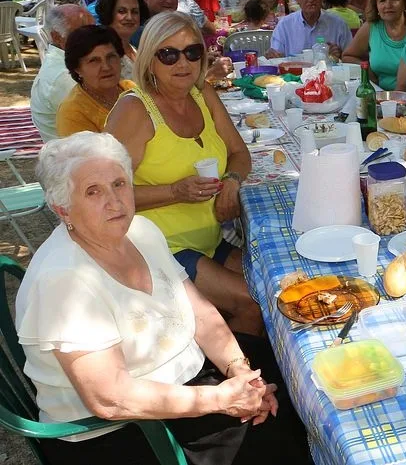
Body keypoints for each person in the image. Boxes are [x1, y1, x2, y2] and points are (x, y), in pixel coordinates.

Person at [17, 132, 311, 464]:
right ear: (62, 208)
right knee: (278, 441)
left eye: (119, 184)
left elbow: (201, 314)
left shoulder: (141, 232)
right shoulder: (65, 282)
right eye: (92, 191)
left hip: (182, 386)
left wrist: (239, 373)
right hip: (121, 431)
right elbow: (110, 399)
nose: (114, 201)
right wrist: (220, 399)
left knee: (288, 389)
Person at [105, 12, 262, 336]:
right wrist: (175, 192)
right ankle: (223, 377)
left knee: (276, 286)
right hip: (160, 250)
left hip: (208, 239)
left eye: (192, 51)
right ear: (149, 60)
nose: (183, 63)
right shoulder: (135, 110)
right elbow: (106, 196)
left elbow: (239, 153)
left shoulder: (201, 93)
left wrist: (231, 183)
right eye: (168, 54)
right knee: (253, 303)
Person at [341, 0, 406, 90]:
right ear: (376, 7)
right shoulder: (371, 27)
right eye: (382, 0)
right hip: (381, 96)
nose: (388, 5)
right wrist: (367, 69)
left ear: (404, 4)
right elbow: (347, 56)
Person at [30, 5, 95, 141]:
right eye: (81, 33)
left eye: (94, 30)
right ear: (57, 37)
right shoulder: (63, 76)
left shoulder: (71, 64)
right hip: (78, 154)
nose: (93, 38)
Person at [56, 26, 136, 136]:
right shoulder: (72, 112)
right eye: (94, 61)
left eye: (111, 57)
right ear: (77, 69)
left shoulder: (130, 89)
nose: (106, 67)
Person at [265, 0, 352, 59]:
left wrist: (340, 56)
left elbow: (350, 59)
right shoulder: (285, 25)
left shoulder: (339, 25)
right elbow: (277, 58)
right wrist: (273, 56)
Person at [97, 0, 147, 76]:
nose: (129, 17)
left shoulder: (136, 50)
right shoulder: (102, 54)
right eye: (122, 11)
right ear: (109, 13)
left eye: (135, 12)